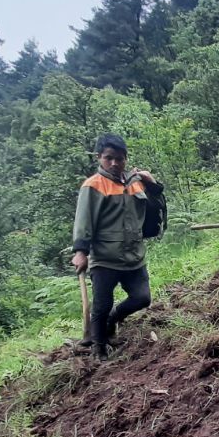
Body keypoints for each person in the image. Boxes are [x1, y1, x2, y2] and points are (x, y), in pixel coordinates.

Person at [71, 134, 165, 359]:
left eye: (119, 159)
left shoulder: (136, 182)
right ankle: (99, 348)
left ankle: (114, 319)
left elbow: (157, 208)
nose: (114, 163)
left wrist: (152, 185)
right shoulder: (92, 186)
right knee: (101, 306)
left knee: (142, 298)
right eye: (108, 158)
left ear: (126, 159)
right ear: (99, 158)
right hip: (105, 258)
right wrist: (81, 252)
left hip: (134, 255)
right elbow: (83, 220)